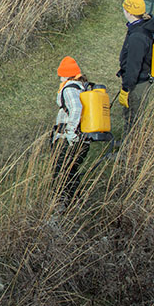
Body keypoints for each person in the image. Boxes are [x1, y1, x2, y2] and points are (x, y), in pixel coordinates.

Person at [52, 56, 90, 204]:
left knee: (60, 172)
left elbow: (76, 109)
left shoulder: (69, 89)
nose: (59, 77)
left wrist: (70, 132)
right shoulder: (83, 87)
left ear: (67, 74)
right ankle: (75, 202)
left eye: (61, 74)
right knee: (71, 171)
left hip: (70, 140)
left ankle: (61, 204)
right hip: (82, 139)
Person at [117, 0, 154, 137]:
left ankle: (127, 154)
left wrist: (126, 88)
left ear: (129, 12)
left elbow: (134, 66)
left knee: (132, 120)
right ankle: (126, 147)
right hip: (140, 80)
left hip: (137, 83)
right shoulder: (142, 26)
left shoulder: (137, 36)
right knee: (130, 116)